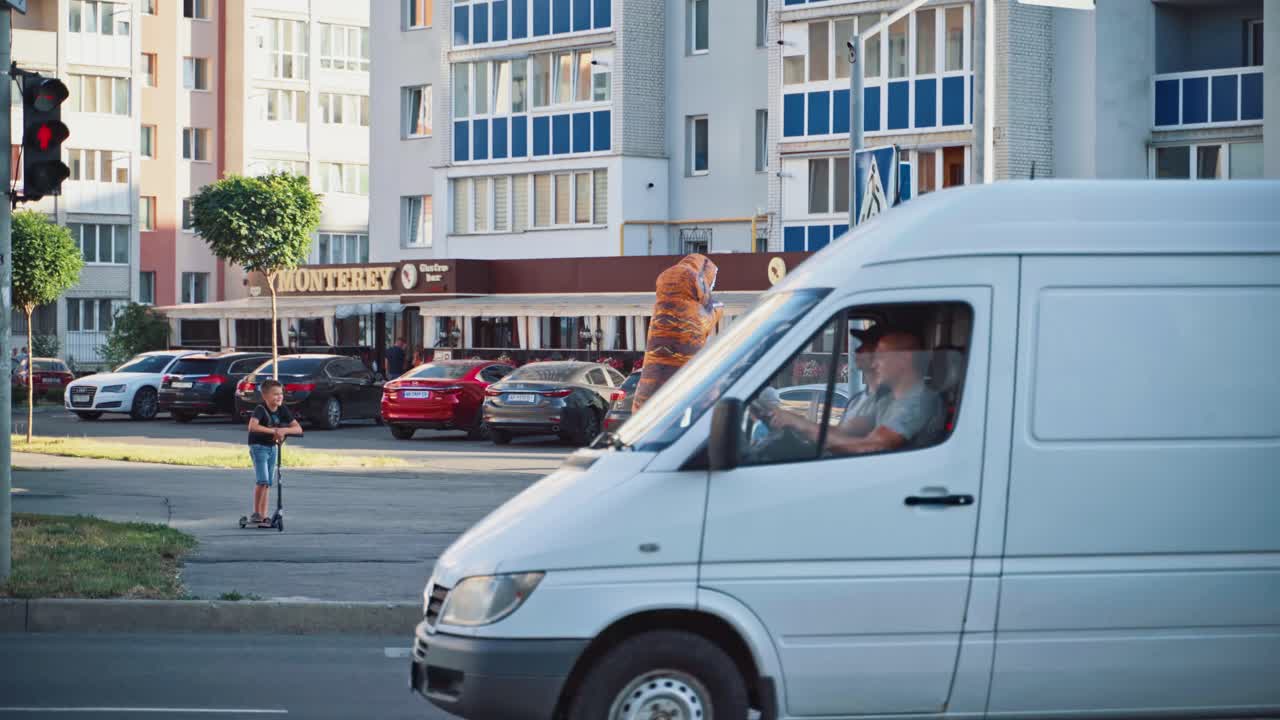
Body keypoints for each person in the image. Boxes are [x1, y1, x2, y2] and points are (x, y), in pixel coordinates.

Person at [763, 332, 940, 456]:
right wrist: (794, 421)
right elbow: (843, 430)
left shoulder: (919, 402)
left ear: (905, 359)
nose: (874, 364)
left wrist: (801, 425)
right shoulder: (887, 401)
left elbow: (874, 446)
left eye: (880, 356)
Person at [633, 254, 724, 412]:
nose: (712, 286)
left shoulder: (659, 310)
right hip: (676, 398)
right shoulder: (694, 312)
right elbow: (712, 315)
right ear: (701, 281)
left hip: (646, 395)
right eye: (712, 282)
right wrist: (715, 304)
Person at [246, 379, 302, 526]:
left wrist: (284, 430)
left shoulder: (282, 409)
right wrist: (274, 431)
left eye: (281, 394)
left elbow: (298, 428)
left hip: (272, 447)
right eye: (275, 394)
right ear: (265, 396)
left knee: (268, 483)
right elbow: (252, 426)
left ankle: (263, 516)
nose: (279, 397)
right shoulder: (260, 409)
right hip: (258, 446)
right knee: (262, 480)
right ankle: (256, 513)